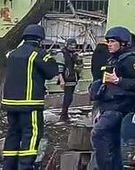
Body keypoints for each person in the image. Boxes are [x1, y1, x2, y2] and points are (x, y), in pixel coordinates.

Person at [1, 24, 59, 170]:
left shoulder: (12, 54)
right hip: (30, 103)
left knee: (13, 133)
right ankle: (25, 166)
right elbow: (52, 71)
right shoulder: (37, 54)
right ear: (40, 39)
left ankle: (8, 166)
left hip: (10, 103)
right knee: (31, 135)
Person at [91, 26, 135, 170]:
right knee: (113, 142)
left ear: (123, 42)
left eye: (113, 41)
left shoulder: (130, 60)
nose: (109, 44)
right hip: (108, 105)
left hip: (120, 106)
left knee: (98, 134)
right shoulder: (112, 59)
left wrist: (118, 81)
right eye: (108, 41)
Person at [59, 38, 83, 123]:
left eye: (74, 45)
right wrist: (61, 79)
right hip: (66, 77)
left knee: (70, 96)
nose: (73, 47)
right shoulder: (62, 54)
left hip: (73, 77)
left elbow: (79, 65)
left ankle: (65, 113)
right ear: (67, 45)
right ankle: (63, 114)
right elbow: (60, 68)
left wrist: (78, 59)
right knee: (68, 96)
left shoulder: (73, 54)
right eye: (71, 45)